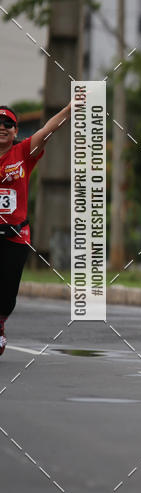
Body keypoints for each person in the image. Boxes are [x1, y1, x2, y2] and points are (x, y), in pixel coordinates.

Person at [0, 102, 72, 355]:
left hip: (15, 237)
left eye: (8, 124)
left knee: (7, 295)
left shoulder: (23, 153)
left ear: (15, 130)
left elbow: (48, 130)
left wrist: (70, 108)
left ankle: (1, 323)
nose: (2, 127)